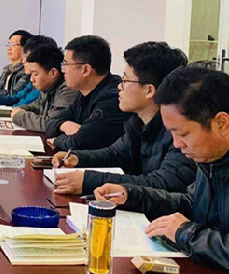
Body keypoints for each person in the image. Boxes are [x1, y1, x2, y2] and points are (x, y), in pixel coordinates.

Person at [94, 66, 229, 271]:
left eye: (183, 134)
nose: (177, 144)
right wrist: (131, 196)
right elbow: (191, 203)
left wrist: (185, 233)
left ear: (222, 123)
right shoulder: (210, 158)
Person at [51, 41, 195, 196]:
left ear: (149, 90)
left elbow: (163, 183)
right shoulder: (138, 122)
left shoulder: (179, 133)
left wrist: (88, 181)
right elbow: (115, 154)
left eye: (125, 80)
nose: (119, 86)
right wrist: (77, 158)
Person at [45, 35, 131, 150]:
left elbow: (80, 142)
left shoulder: (112, 98)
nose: (63, 70)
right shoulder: (84, 92)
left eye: (66, 64)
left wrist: (56, 141)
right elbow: (49, 123)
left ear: (85, 70)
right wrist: (63, 125)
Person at [10, 45, 78, 132]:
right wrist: (20, 109)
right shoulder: (47, 88)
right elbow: (34, 107)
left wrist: (19, 116)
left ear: (53, 73)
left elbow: (53, 124)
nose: (31, 79)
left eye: (36, 74)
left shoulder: (67, 90)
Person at [0, 35, 57, 108]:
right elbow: (18, 96)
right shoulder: (13, 70)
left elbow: (22, 102)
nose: (24, 61)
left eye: (13, 45)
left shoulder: (39, 82)